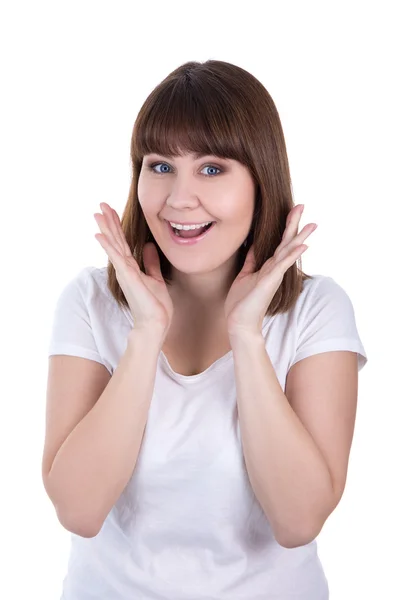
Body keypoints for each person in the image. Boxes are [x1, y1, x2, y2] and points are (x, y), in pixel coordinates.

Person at [42, 60, 368, 599]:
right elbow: (78, 510)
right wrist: (145, 334)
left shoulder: (318, 310)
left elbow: (298, 521)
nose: (178, 198)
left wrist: (247, 335)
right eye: (160, 166)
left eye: (212, 169)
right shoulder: (90, 302)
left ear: (260, 179)